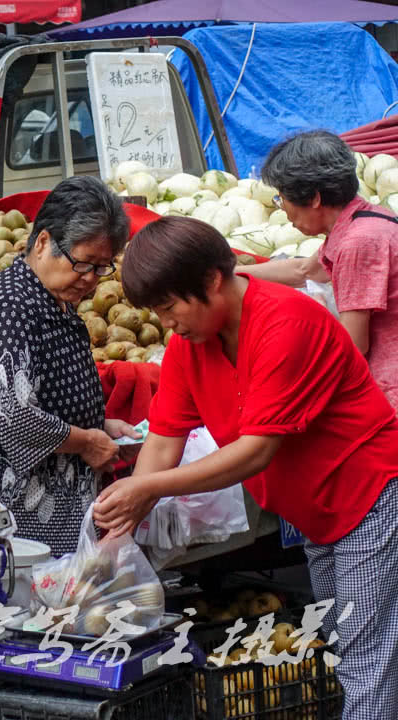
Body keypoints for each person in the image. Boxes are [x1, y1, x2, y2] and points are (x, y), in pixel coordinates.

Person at [93, 215, 398, 720]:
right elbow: (164, 439)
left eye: (169, 307)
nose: (166, 322)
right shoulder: (190, 346)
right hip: (310, 508)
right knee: (343, 639)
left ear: (212, 281)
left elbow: (256, 451)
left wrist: (145, 491)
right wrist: (125, 517)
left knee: (365, 653)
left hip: (366, 493)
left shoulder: (285, 324)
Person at [0, 175, 140, 556]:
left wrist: (99, 424)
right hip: (11, 514)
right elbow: (5, 413)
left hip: (47, 510)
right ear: (44, 242)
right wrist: (85, 441)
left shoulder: (53, 300)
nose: (91, 281)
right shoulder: (12, 306)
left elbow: (42, 393)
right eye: (83, 264)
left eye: (101, 268)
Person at [240, 130, 398, 409]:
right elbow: (305, 271)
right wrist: (230, 275)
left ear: (313, 199)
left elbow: (354, 346)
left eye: (281, 198)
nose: (283, 209)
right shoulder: (365, 218)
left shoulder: (358, 242)